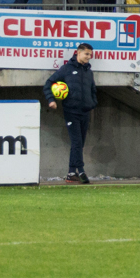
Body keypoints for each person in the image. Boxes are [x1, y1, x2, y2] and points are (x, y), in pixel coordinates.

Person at [42, 42, 97, 184]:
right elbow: (48, 84)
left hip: (85, 112)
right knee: (77, 142)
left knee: (79, 144)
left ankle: (72, 173)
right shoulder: (66, 69)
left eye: (90, 54)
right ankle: (82, 171)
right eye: (86, 54)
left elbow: (93, 90)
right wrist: (51, 100)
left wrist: (93, 103)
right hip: (71, 112)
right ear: (78, 53)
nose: (89, 57)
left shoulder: (88, 72)